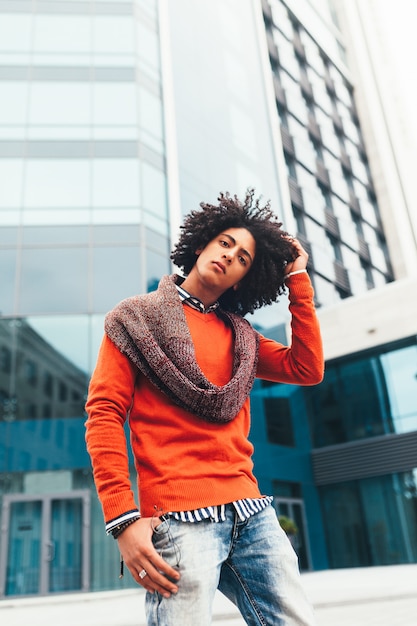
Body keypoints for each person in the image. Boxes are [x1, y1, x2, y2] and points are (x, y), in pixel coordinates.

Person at [85, 189, 324, 626]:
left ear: (243, 279)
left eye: (244, 258)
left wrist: (298, 280)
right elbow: (103, 415)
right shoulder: (134, 319)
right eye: (225, 243)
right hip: (179, 518)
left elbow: (306, 368)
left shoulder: (244, 340)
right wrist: (123, 519)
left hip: (251, 512)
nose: (230, 256)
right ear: (202, 244)